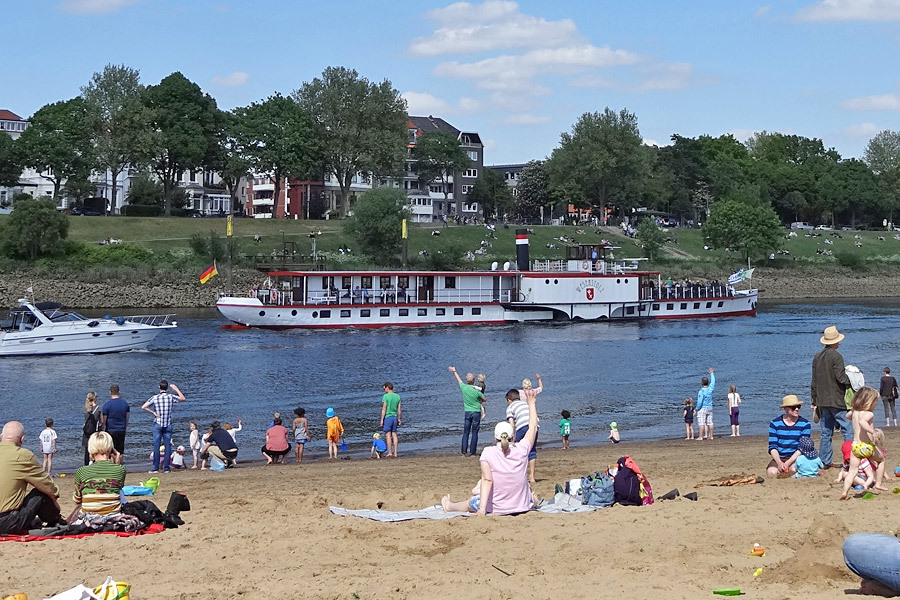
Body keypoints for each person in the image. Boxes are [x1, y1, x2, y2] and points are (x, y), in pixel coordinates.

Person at [440, 390, 540, 516]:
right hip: (521, 505)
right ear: (513, 437)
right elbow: (533, 427)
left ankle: (449, 506)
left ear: (495, 438)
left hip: (497, 508)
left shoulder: (488, 452)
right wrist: (531, 404)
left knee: (472, 501)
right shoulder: (522, 449)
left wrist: (482, 509)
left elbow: (487, 480)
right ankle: (531, 499)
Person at [0, 421, 62, 535]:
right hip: (7, 522)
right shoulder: (23, 455)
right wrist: (55, 497)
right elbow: (45, 483)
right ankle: (55, 520)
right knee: (40, 493)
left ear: (1, 436)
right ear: (22, 439)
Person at [811, 325, 852, 468]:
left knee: (826, 432)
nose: (839, 343)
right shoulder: (837, 356)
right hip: (837, 399)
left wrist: (814, 399)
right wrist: (854, 380)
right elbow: (841, 378)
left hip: (822, 400)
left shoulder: (817, 357)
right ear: (835, 342)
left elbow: (814, 380)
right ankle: (850, 459)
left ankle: (825, 461)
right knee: (848, 430)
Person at [841, 387, 887, 500]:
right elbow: (862, 422)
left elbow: (847, 416)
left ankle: (844, 491)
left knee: (852, 471)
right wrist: (872, 432)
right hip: (866, 446)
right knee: (881, 460)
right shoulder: (869, 414)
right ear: (869, 402)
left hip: (855, 446)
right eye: (875, 401)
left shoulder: (854, 412)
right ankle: (878, 484)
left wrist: (853, 412)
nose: (876, 404)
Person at [71, 432, 127, 521]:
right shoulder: (120, 470)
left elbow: (77, 500)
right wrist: (117, 464)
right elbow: (118, 489)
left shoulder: (81, 471)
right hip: (113, 515)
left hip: (88, 516)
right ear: (111, 448)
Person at [141, 380, 186, 474]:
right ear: (167, 388)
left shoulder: (155, 397)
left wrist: (153, 412)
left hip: (158, 423)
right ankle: (166, 468)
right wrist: (176, 389)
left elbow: (143, 407)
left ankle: (155, 468)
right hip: (168, 423)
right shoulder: (170, 397)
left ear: (159, 388)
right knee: (168, 446)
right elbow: (182, 398)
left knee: (156, 446)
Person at [767, 395, 811, 476]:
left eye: (798, 406)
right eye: (793, 407)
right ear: (785, 408)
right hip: (779, 457)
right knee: (772, 472)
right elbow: (772, 446)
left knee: (793, 470)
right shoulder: (775, 423)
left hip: (796, 457)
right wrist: (779, 462)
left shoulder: (805, 424)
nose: (797, 409)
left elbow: (802, 447)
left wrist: (788, 462)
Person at [449, 366, 485, 457]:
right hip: (476, 412)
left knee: (466, 432)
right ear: (474, 380)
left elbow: (458, 380)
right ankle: (472, 452)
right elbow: (484, 399)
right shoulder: (476, 390)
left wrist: (454, 372)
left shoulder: (464, 387)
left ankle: (464, 451)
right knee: (474, 432)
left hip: (467, 412)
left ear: (467, 380)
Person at [101, 384, 129, 465]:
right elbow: (127, 418)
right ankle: (120, 465)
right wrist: (125, 426)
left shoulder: (107, 405)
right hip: (121, 429)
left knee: (111, 450)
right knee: (120, 449)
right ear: (119, 392)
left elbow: (104, 420)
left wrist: (103, 429)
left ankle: (112, 466)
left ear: (110, 392)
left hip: (110, 430)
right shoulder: (125, 404)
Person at [379, 382, 402, 458]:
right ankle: (395, 452)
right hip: (394, 417)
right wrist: (399, 418)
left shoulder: (386, 396)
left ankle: (389, 452)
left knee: (388, 435)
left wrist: (382, 419)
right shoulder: (397, 396)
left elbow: (384, 408)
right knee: (394, 434)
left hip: (388, 417)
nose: (384, 390)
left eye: (384, 388)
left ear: (387, 387)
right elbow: (399, 410)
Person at [82, 391, 102, 466]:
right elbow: (101, 422)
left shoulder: (85, 409)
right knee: (95, 450)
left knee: (86, 451)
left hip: (86, 432)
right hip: (94, 432)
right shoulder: (98, 409)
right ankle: (94, 466)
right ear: (95, 398)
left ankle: (86, 467)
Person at [696, 368, 715, 440]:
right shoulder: (710, 389)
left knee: (701, 422)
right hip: (710, 407)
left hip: (703, 408)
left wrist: (697, 409)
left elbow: (700, 402)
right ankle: (711, 436)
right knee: (710, 422)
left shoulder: (701, 391)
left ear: (701, 383)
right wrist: (712, 374)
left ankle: (701, 436)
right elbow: (713, 382)